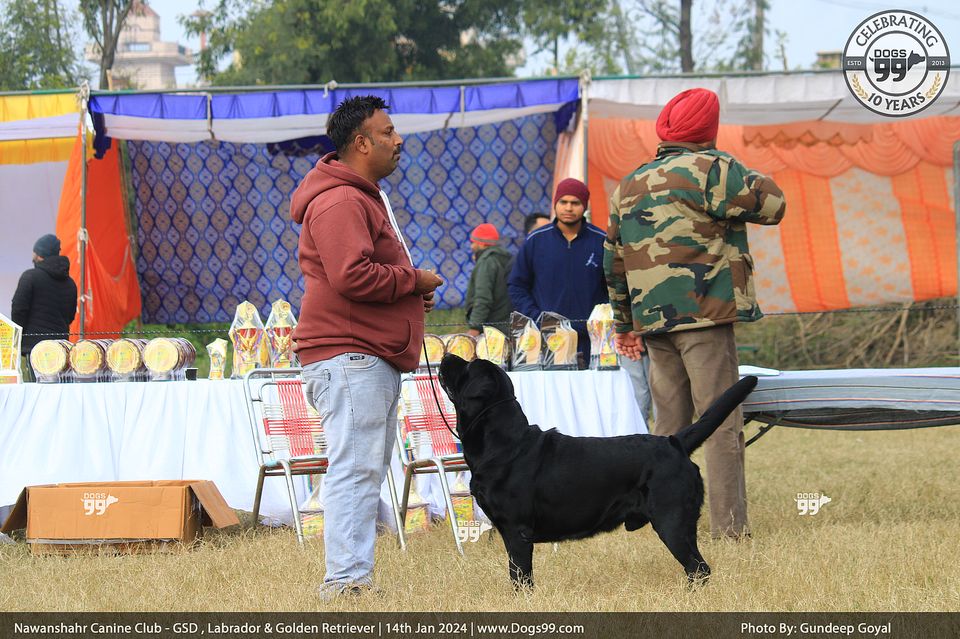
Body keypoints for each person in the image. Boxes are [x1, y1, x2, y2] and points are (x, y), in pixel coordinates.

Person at [604, 88, 785, 539]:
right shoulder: (714, 170)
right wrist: (724, 160)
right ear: (709, 128)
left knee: (668, 430)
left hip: (653, 322)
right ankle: (729, 530)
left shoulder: (628, 184)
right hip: (705, 317)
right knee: (720, 422)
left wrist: (625, 325)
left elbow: (614, 260)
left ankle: (665, 522)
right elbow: (774, 205)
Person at [289, 95, 443, 598]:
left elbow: (360, 273)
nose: (398, 140)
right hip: (350, 356)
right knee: (355, 470)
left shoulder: (358, 195)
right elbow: (351, 275)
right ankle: (346, 582)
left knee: (362, 468)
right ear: (360, 143)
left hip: (360, 355)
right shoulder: (342, 200)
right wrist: (413, 280)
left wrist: (407, 291)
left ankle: (350, 576)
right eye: (387, 132)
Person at [508, 178, 607, 368]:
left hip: (591, 341)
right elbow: (517, 286)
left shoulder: (601, 241)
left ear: (584, 206)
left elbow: (614, 287)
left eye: (575, 203)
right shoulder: (536, 241)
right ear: (555, 204)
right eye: (563, 202)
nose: (568, 208)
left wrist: (599, 321)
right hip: (546, 340)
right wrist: (538, 318)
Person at [11, 234, 77, 380]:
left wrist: (19, 338)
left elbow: (18, 310)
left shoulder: (30, 277)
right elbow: (70, 316)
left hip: (33, 350)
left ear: (40, 255)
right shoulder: (70, 283)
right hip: (61, 348)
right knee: (57, 390)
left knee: (35, 389)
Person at [464, 223, 512, 337]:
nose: (471, 247)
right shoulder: (506, 259)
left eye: (473, 242)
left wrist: (475, 327)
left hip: (491, 330)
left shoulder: (487, 262)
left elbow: (483, 298)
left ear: (481, 243)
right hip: (506, 326)